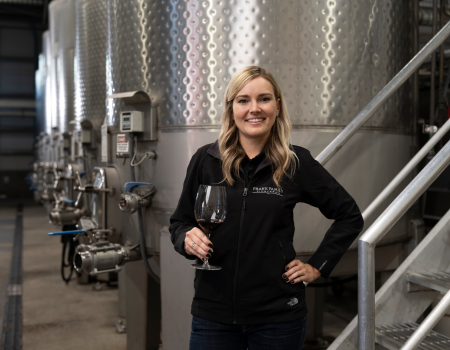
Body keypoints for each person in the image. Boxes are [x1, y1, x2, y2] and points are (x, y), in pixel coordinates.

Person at [169, 66, 364, 350]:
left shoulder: (296, 163)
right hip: (214, 314)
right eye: (243, 100)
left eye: (264, 98)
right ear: (231, 108)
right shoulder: (205, 160)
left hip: (278, 316)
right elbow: (180, 222)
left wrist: (316, 267)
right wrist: (185, 238)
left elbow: (349, 215)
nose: (254, 109)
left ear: (277, 106)